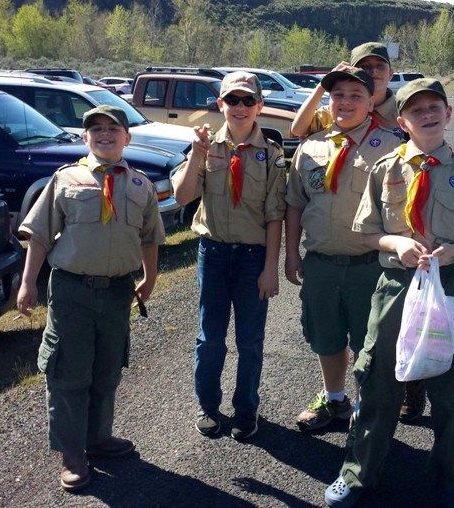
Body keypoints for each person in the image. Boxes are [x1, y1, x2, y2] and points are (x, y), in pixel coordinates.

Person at [323, 78, 454, 507]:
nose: (427, 114)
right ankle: (358, 474)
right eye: (416, 109)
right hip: (395, 288)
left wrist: (451, 251)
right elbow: (368, 231)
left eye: (434, 106)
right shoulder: (386, 170)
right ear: (402, 120)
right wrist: (397, 244)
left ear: (448, 113)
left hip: (448, 287)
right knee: (378, 383)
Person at [16, 105, 164, 493]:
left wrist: (150, 277)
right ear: (85, 138)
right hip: (72, 291)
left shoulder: (140, 185)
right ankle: (73, 452)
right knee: (68, 372)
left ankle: (98, 438)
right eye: (95, 129)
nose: (104, 134)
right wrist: (28, 282)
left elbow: (151, 238)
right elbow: (41, 235)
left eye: (113, 129)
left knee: (106, 370)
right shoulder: (66, 179)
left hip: (117, 293)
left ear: (127, 138)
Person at [290, 41, 427, 423]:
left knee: (374, 343)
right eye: (338, 96)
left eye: (356, 95)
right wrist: (290, 254)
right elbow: (295, 204)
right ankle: (335, 399)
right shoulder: (311, 146)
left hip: (374, 266)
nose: (346, 102)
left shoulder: (396, 147)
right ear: (328, 101)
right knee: (326, 337)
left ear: (372, 102)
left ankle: (370, 408)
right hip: (322, 263)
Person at [171, 71, 286, 441]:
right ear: (220, 104)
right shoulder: (205, 147)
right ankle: (208, 406)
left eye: (247, 101)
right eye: (232, 100)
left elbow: (274, 215)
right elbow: (182, 197)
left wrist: (271, 268)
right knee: (210, 338)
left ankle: (246, 409)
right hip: (214, 254)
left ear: (259, 106)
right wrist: (197, 156)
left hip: (253, 257)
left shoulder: (271, 155)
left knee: (250, 340)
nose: (239, 107)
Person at [290, 42, 402, 140]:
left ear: (391, 73)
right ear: (352, 71)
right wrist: (321, 86)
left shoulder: (403, 111)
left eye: (380, 66)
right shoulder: (337, 111)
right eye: (365, 66)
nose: (374, 71)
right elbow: (298, 130)